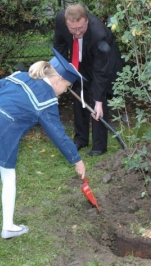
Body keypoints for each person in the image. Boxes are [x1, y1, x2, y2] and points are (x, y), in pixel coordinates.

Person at [0, 48, 86, 239]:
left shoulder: (22, 76)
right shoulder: (47, 100)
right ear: (58, 80)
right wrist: (76, 159)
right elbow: (58, 134)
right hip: (1, 130)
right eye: (67, 87)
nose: (65, 91)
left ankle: (7, 226)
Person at [53, 3, 124, 156]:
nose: (77, 32)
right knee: (78, 93)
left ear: (86, 20)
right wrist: (64, 70)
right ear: (66, 22)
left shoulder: (98, 33)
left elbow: (100, 73)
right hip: (80, 60)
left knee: (98, 98)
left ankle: (99, 145)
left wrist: (97, 101)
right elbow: (59, 44)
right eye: (73, 29)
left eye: (81, 28)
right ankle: (81, 139)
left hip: (103, 62)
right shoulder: (60, 19)